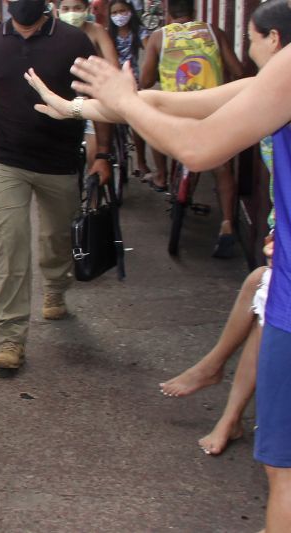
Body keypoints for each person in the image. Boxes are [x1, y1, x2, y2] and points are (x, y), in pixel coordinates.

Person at [24, 1, 291, 526]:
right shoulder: (273, 80)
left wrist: (122, 98)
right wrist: (77, 108)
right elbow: (176, 102)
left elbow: (198, 146)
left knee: (284, 473)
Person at [158, 0, 291, 456]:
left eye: (252, 40)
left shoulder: (281, 83)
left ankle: (221, 390)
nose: (248, 49)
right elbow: (171, 101)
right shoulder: (265, 85)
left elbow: (198, 146)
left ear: (274, 39)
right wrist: (89, 104)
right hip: (281, 234)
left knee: (264, 303)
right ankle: (224, 398)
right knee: (261, 297)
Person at [0, 0, 111, 376]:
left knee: (58, 236)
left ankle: (56, 284)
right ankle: (10, 338)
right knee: (9, 244)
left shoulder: (74, 41)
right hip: (4, 157)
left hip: (59, 161)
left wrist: (103, 154)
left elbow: (99, 98)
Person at [139, 0, 243, 258]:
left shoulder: (159, 37)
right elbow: (238, 71)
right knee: (223, 167)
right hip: (213, 111)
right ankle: (227, 223)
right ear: (194, 11)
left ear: (168, 12)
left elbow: (146, 80)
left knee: (152, 125)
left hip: (177, 113)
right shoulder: (213, 32)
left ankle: (161, 175)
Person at [57, 0, 118, 171]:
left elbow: (113, 66)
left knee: (94, 154)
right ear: (57, 11)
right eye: (66, 9)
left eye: (77, 8)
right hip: (63, 95)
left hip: (93, 95)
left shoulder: (97, 31)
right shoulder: (53, 33)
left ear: (87, 10)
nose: (71, 13)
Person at [108, 0, 151, 178]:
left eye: (122, 11)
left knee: (137, 122)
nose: (119, 15)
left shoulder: (139, 31)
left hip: (134, 81)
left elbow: (150, 50)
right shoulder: (107, 34)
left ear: (130, 12)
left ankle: (141, 162)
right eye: (114, 13)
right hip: (112, 81)